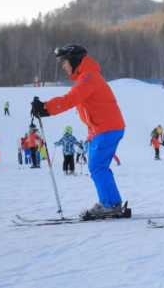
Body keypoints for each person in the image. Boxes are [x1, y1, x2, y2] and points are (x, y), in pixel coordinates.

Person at [30, 44, 127, 219]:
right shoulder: (86, 76)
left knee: (97, 166)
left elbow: (71, 99)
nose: (63, 66)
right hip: (104, 129)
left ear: (74, 61)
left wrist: (45, 108)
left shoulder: (88, 77)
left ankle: (109, 204)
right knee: (100, 166)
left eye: (65, 62)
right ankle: (113, 203)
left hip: (107, 128)